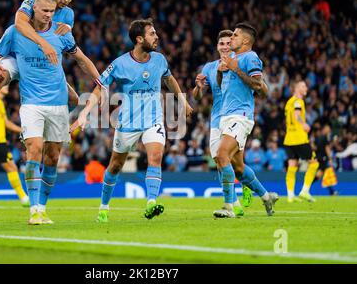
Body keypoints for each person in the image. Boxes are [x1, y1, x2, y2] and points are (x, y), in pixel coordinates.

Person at [0, 0, 102, 224]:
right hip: (31, 102)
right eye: (45, 11)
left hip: (57, 102)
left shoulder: (62, 31)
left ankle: (42, 207)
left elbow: (81, 59)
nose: (49, 15)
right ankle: (33, 211)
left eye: (52, 12)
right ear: (34, 9)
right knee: (34, 148)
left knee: (52, 157)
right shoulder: (15, 31)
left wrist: (100, 81)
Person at [73, 18, 193, 223]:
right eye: (152, 34)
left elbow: (169, 78)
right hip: (127, 123)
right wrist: (84, 113)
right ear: (139, 39)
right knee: (115, 165)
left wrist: (182, 101)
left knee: (155, 156)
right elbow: (99, 87)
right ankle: (104, 206)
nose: (157, 37)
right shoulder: (119, 64)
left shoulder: (159, 60)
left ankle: (151, 202)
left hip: (153, 120)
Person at [214, 22, 279, 218]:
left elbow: (258, 85)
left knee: (221, 155)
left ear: (245, 40)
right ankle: (267, 197)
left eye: (234, 35)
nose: (230, 39)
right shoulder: (233, 58)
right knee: (239, 168)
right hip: (226, 116)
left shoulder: (250, 57)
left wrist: (235, 69)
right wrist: (220, 71)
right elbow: (221, 85)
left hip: (240, 116)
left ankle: (228, 207)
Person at [193, 29, 260, 215]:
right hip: (217, 120)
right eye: (221, 43)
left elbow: (257, 84)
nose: (224, 46)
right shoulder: (209, 67)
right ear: (217, 46)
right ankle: (236, 202)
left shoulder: (241, 60)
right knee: (221, 161)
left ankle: (231, 203)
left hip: (238, 115)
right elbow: (197, 96)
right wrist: (198, 88)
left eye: (228, 43)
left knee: (228, 159)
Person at [283, 80, 319, 203]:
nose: (306, 88)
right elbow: (297, 114)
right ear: (296, 88)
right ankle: (304, 191)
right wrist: (303, 124)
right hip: (299, 138)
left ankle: (290, 196)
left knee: (292, 166)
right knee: (314, 163)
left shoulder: (288, 102)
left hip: (289, 139)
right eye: (303, 86)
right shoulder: (298, 101)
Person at [313, 124, 338, 195]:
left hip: (319, 158)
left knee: (320, 175)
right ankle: (306, 187)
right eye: (328, 128)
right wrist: (330, 159)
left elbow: (315, 148)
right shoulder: (324, 137)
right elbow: (327, 148)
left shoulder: (318, 137)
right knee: (324, 174)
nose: (329, 130)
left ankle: (332, 192)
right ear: (324, 128)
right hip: (323, 158)